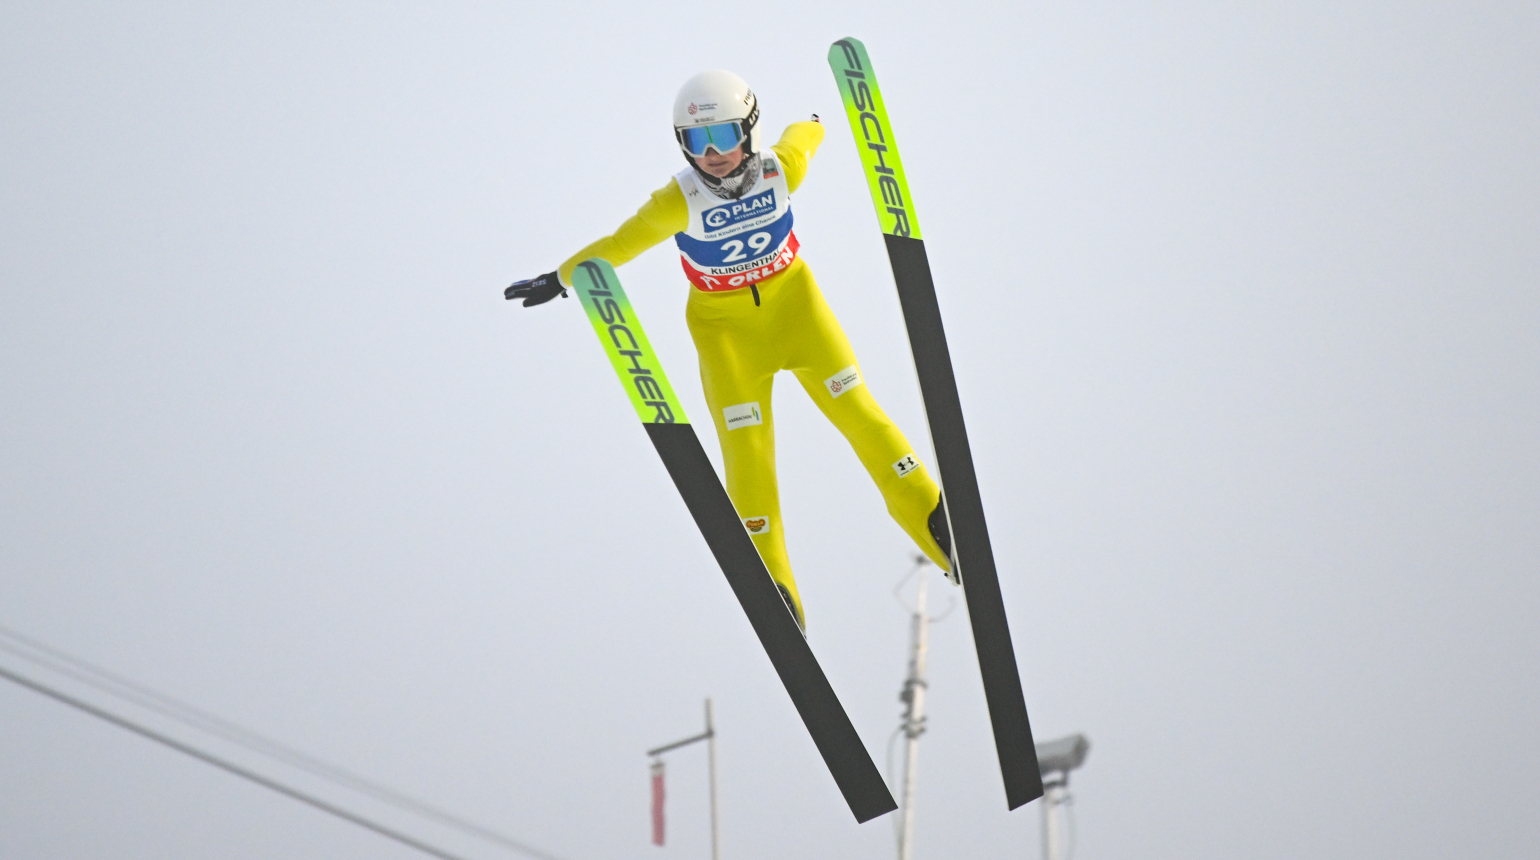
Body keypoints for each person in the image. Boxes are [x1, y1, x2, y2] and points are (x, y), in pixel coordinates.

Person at [508, 70, 954, 629]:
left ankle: (936, 524)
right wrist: (560, 278)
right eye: (697, 141)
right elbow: (619, 244)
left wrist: (818, 120)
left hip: (800, 315)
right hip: (726, 336)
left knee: (859, 412)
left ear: (749, 130)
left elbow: (802, 141)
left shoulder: (778, 170)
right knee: (747, 454)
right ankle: (775, 579)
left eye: (723, 136)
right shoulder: (678, 199)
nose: (713, 154)